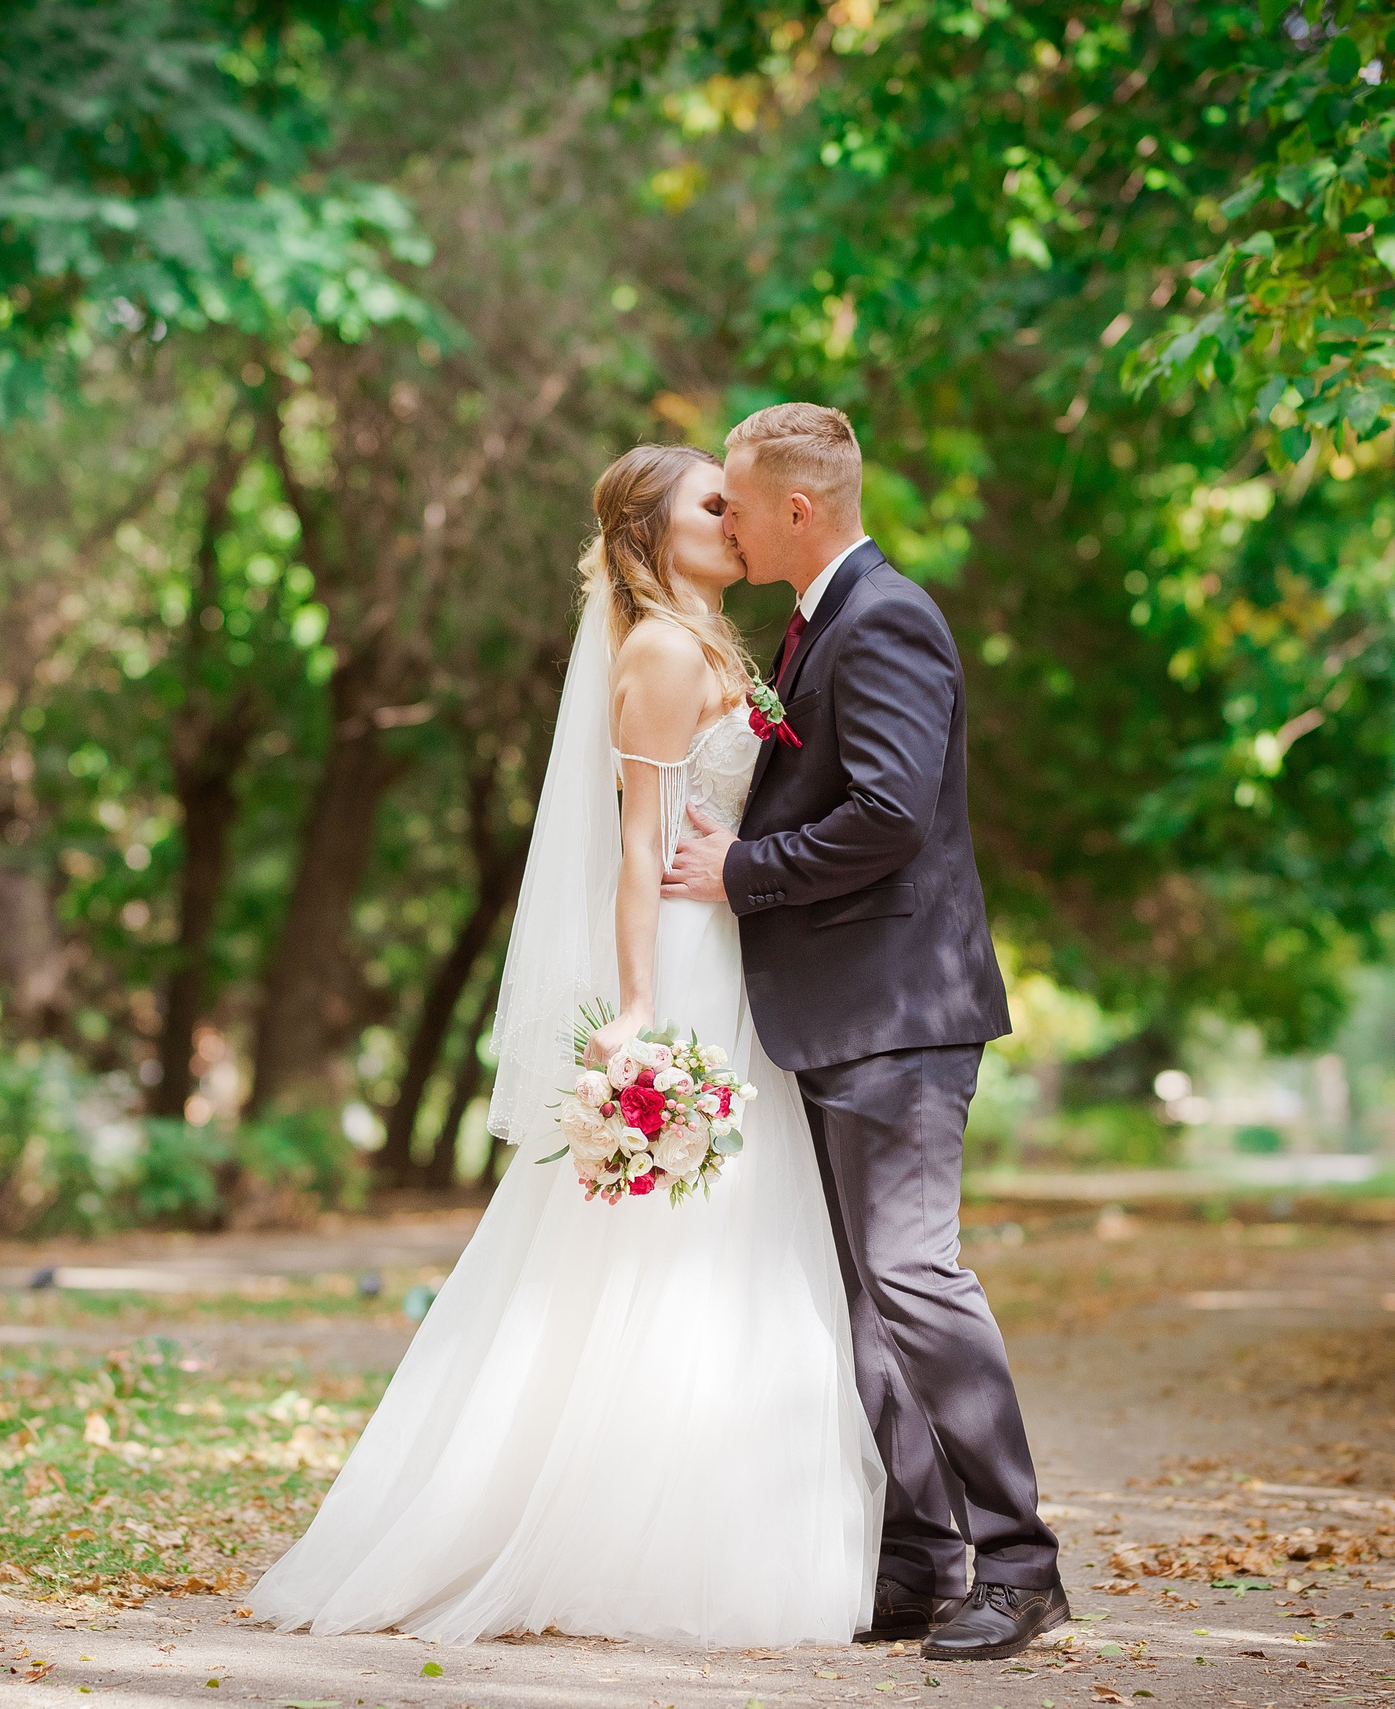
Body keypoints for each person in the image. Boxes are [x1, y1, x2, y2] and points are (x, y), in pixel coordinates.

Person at [249, 443, 883, 1647]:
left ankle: (716, 1516)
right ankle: (614, 1537)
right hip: (687, 971)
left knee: (736, 1240)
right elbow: (637, 846)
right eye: (713, 504)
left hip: (738, 958)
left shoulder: (708, 641)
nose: (735, 517)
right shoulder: (654, 650)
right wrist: (640, 1013)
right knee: (666, 1241)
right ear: (652, 534)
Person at [661, 402, 1067, 1661]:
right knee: (865, 1298)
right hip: (842, 1008)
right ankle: (916, 1558)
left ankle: (1020, 1561)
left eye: (733, 499)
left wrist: (743, 870)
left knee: (912, 1278)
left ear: (799, 508)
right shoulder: (817, 614)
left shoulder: (883, 615)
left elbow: (889, 813)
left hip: (898, 1006)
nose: (720, 517)